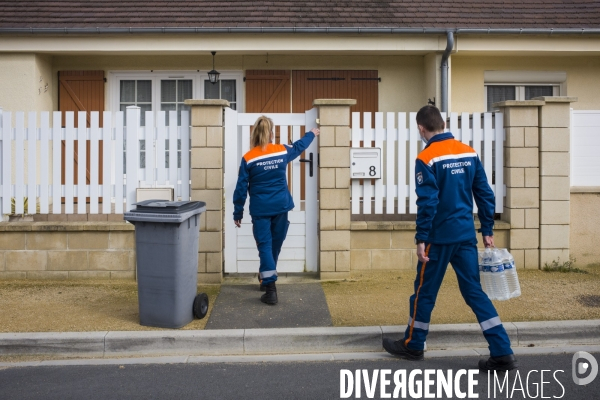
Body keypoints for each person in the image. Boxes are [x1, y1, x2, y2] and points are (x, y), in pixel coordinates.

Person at [382, 105, 518, 372]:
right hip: (466, 236)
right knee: (475, 293)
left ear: (422, 129)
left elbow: (428, 202)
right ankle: (502, 351)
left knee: (424, 293)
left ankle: (413, 344)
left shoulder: (426, 157)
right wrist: (487, 230)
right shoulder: (469, 152)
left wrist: (421, 238)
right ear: (442, 124)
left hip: (438, 238)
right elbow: (485, 193)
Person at [233, 116, 319, 305]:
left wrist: (237, 212)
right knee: (273, 245)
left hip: (261, 209)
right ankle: (267, 282)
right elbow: (298, 147)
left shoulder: (248, 157)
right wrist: (311, 134)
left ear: (255, 133)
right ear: (271, 133)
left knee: (265, 246)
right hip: (281, 207)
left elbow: (241, 188)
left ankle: (269, 287)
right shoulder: (281, 150)